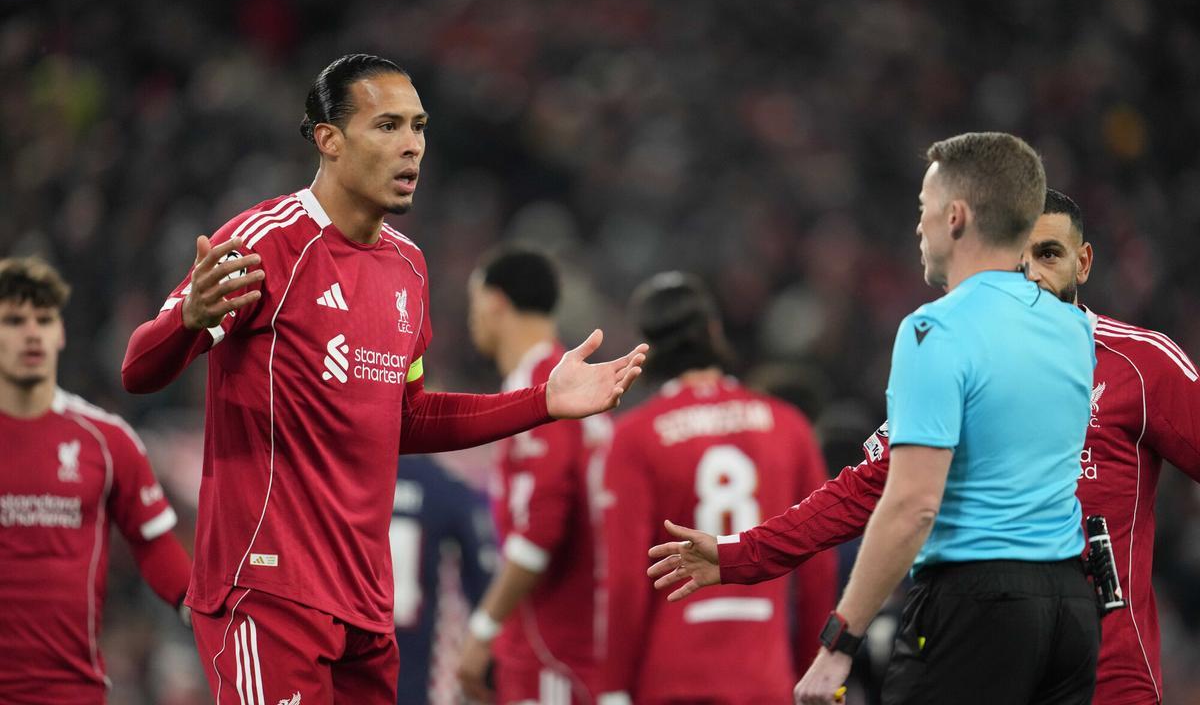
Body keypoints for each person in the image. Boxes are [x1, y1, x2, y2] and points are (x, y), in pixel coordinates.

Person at [120, 54, 647, 705]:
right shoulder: (267, 242)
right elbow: (138, 370)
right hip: (268, 593)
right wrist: (190, 324)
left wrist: (542, 402)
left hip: (366, 610)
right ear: (329, 139)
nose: (412, 146)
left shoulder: (410, 269)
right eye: (388, 126)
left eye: (419, 127)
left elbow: (409, 418)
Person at [649, 188, 1200, 704]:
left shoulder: (1140, 364)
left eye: (1050, 253)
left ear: (1082, 263)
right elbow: (867, 487)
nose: (1033, 274)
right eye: (1019, 258)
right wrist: (739, 555)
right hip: (989, 663)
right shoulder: (960, 360)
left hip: (1110, 670)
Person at [599, 271, 838, 705]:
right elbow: (819, 571)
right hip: (765, 677)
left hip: (673, 679)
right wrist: (810, 673)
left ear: (647, 350)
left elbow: (625, 580)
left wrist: (614, 687)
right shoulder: (789, 427)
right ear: (713, 330)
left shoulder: (635, 437)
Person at [0, 257, 192, 705]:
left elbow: (155, 545)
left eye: (43, 320)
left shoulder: (106, 441)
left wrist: (202, 608)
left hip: (71, 692)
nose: (32, 333)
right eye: (14, 320)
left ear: (60, 333)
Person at [458, 246, 611, 705]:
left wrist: (483, 627)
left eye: (474, 305)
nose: (472, 321)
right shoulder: (562, 382)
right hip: (562, 634)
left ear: (495, 302)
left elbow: (542, 526)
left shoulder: (548, 388)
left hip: (556, 641)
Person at [392, 454, 495, 705]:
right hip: (418, 665)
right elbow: (484, 578)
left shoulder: (351, 480)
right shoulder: (445, 487)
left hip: (351, 654)